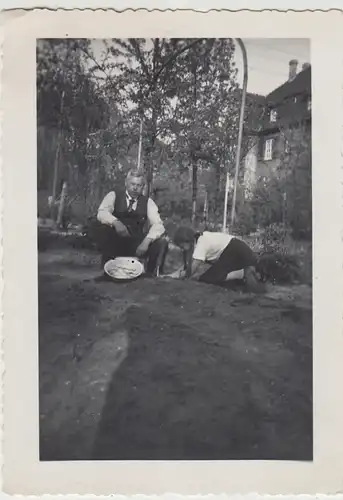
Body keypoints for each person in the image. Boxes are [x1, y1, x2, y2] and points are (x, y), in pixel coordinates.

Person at [96, 170, 168, 276]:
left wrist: (146, 242)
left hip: (136, 244)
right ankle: (106, 270)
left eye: (138, 185)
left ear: (143, 186)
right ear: (126, 183)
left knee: (161, 242)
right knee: (103, 228)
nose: (135, 188)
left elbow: (158, 224)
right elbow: (102, 213)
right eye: (132, 184)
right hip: (116, 241)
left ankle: (150, 274)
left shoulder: (148, 202)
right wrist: (116, 222)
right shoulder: (113, 195)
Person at [167, 226, 264, 292]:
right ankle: (242, 275)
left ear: (187, 240)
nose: (181, 248)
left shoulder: (201, 243)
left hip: (235, 250)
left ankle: (243, 273)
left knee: (208, 279)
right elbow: (187, 265)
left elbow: (193, 268)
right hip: (235, 249)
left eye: (181, 245)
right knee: (212, 276)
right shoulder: (199, 241)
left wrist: (181, 276)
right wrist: (174, 274)